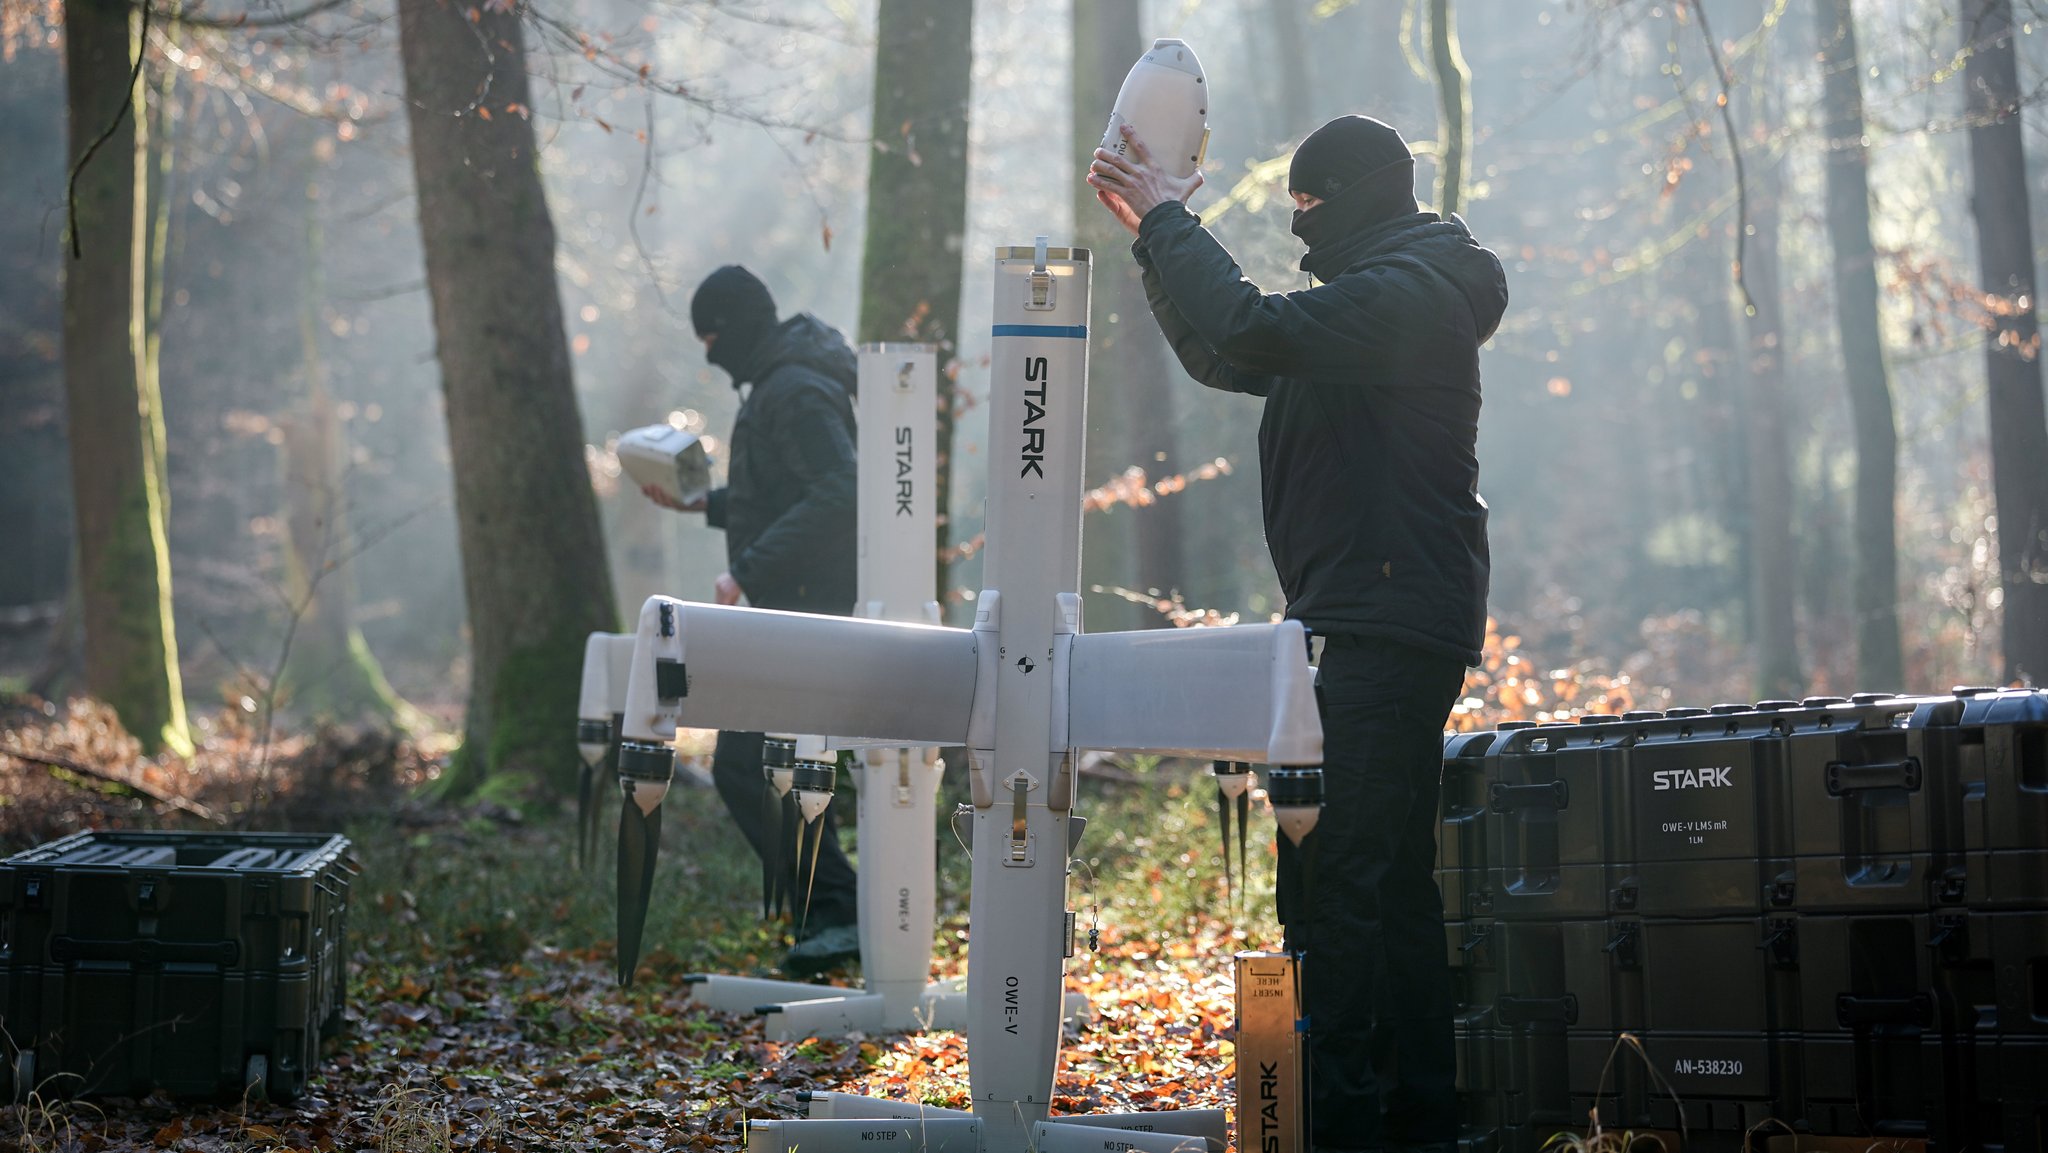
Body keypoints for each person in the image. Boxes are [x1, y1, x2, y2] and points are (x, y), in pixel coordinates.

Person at [1089, 115, 1508, 1152]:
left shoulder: (1404, 299)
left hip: (1383, 618)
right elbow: (1223, 345)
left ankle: (1349, 1120)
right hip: (1378, 617)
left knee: (1347, 880)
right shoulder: (1371, 306)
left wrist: (1171, 215)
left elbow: (1247, 323)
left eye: (1310, 199)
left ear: (1358, 193)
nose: (1295, 217)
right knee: (1383, 881)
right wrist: (1154, 235)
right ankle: (1408, 1118)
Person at [642, 264, 863, 976]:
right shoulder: (783, 380)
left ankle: (837, 911)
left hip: (806, 610)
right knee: (761, 764)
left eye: (711, 337)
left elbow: (840, 491)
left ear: (733, 328)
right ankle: (832, 910)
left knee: (745, 764)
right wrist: (702, 506)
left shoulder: (793, 389)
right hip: (795, 609)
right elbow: (783, 490)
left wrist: (748, 568)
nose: (709, 353)